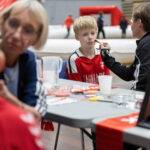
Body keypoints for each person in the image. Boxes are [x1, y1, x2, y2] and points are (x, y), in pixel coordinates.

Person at [0, 0, 48, 119]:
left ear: (37, 38)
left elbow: (35, 116)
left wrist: (7, 98)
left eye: (28, 31)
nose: (16, 35)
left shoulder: (29, 61)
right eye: (13, 23)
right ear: (3, 21)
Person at [100, 3, 150, 92]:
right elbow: (129, 74)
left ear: (139, 23)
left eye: (131, 21)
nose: (130, 26)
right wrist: (107, 57)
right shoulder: (145, 43)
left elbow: (143, 82)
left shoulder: (145, 45)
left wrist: (134, 99)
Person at [66, 16, 110, 84]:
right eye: (85, 34)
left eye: (92, 33)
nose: (90, 37)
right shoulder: (74, 59)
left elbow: (107, 82)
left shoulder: (103, 55)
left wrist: (107, 56)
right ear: (77, 37)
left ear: (96, 34)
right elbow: (77, 87)